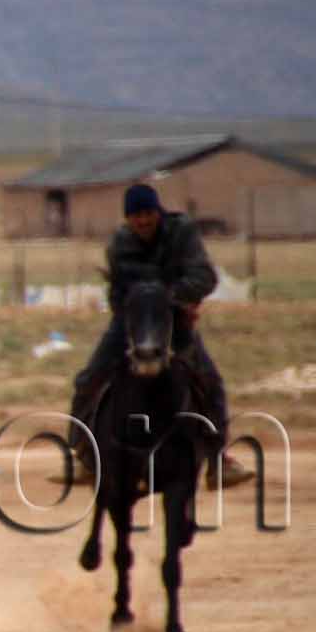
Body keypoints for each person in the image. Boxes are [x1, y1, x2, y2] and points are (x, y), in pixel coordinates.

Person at [67, 181, 246, 482]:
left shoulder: (182, 232)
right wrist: (135, 308)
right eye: (136, 216)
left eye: (148, 213)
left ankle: (218, 460)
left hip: (173, 321)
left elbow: (205, 277)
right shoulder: (118, 244)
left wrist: (169, 296)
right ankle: (82, 454)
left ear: (158, 212)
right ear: (128, 219)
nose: (143, 221)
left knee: (209, 381)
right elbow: (116, 295)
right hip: (132, 322)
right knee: (89, 378)